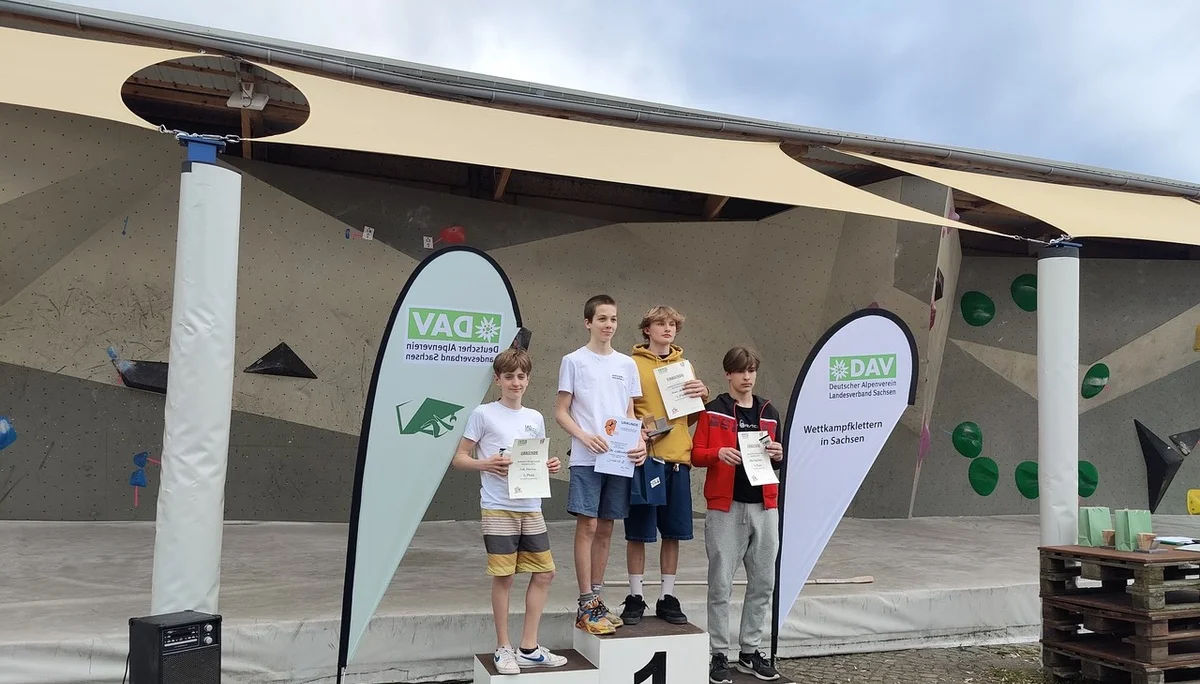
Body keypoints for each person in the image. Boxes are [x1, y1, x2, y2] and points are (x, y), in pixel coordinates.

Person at [451, 347, 569, 675]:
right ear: (497, 379)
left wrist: (550, 466)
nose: (515, 382)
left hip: (531, 506)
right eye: (509, 377)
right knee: (504, 578)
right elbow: (459, 457)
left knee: (545, 572)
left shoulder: (535, 418)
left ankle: (528, 647)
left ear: (528, 379)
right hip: (498, 507)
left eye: (520, 376)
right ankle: (503, 647)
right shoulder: (483, 414)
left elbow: (533, 464)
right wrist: (485, 463)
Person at [556, 294, 648, 635]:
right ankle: (584, 603)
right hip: (586, 456)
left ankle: (597, 600)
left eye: (613, 319)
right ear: (588, 322)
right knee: (589, 525)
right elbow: (561, 411)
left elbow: (629, 414)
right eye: (602, 319)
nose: (608, 325)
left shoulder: (627, 364)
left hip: (618, 457)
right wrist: (583, 436)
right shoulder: (573, 361)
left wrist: (638, 442)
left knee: (608, 527)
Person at [692, 346, 785, 683]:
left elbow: (778, 456)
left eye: (752, 371)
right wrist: (718, 453)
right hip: (725, 507)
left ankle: (750, 651)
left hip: (765, 506)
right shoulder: (712, 410)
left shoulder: (770, 411)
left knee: (764, 582)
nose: (747, 377)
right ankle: (719, 654)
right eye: (741, 371)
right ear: (728, 374)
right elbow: (696, 455)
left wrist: (778, 453)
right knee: (720, 584)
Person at [620, 305, 709, 626]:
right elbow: (622, 409)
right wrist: (637, 429)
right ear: (647, 329)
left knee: (673, 533)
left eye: (672, 324)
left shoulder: (684, 366)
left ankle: (667, 596)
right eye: (660, 323)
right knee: (639, 534)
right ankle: (635, 596)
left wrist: (703, 395)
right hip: (645, 459)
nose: (667, 329)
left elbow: (692, 416)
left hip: (676, 460)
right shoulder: (630, 364)